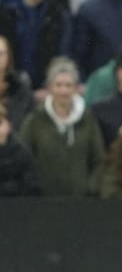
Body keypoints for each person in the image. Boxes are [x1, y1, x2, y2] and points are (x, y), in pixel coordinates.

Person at [18, 57, 105, 196]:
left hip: (81, 202)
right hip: (43, 201)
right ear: (50, 87)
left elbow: (98, 159)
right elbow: (23, 158)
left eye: (68, 85)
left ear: (76, 88)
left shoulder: (88, 120)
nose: (63, 91)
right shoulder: (34, 120)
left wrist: (91, 188)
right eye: (58, 85)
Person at [0, 102, 42, 196]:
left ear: (9, 125)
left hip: (18, 206)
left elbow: (32, 184)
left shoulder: (22, 152)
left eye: (0, 123)